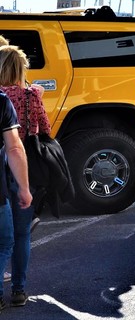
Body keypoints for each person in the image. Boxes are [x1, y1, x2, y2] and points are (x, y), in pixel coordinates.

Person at [0, 45, 48, 308]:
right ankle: (18, 289)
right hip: (21, 167)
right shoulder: (30, 96)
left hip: (1, 168)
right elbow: (44, 128)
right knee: (20, 235)